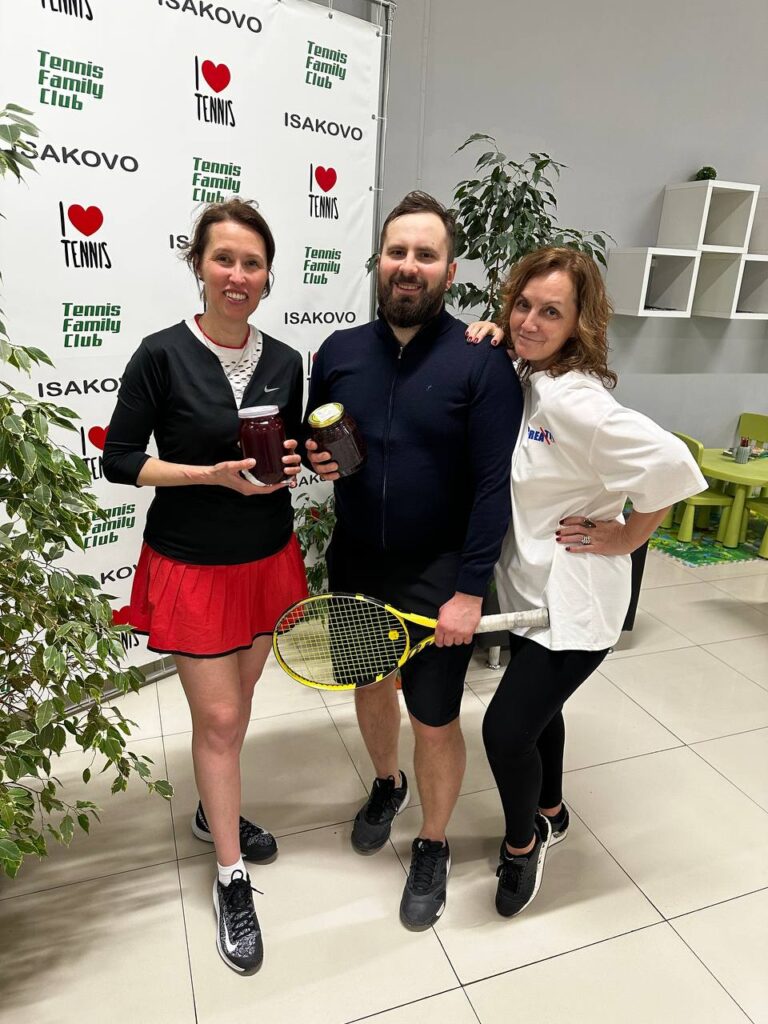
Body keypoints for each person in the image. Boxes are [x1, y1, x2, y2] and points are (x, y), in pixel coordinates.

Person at [466, 247, 706, 918]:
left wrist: (628, 536)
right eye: (523, 305)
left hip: (575, 606)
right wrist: (496, 334)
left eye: (551, 313)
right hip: (532, 595)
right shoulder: (531, 372)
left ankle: (523, 846)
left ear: (580, 323)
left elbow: (671, 463)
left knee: (505, 732)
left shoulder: (577, 402)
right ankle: (552, 809)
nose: (530, 322)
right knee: (541, 715)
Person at [305, 191, 523, 930]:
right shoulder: (338, 354)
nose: (409, 266)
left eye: (426, 255)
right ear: (379, 261)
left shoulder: (482, 361)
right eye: (397, 251)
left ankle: (433, 842)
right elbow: (320, 441)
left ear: (450, 270)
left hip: (439, 573)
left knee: (433, 716)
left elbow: (493, 488)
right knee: (372, 686)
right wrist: (318, 458)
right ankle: (386, 783)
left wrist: (470, 591)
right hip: (358, 560)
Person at [103, 199, 308, 974]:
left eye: (252, 263)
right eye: (224, 259)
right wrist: (208, 476)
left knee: (237, 707)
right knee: (219, 718)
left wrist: (302, 463)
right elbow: (120, 459)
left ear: (267, 275)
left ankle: (210, 811)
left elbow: (289, 447)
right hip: (191, 564)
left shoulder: (286, 359)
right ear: (199, 265)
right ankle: (230, 875)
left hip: (267, 558)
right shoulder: (160, 354)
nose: (237, 275)